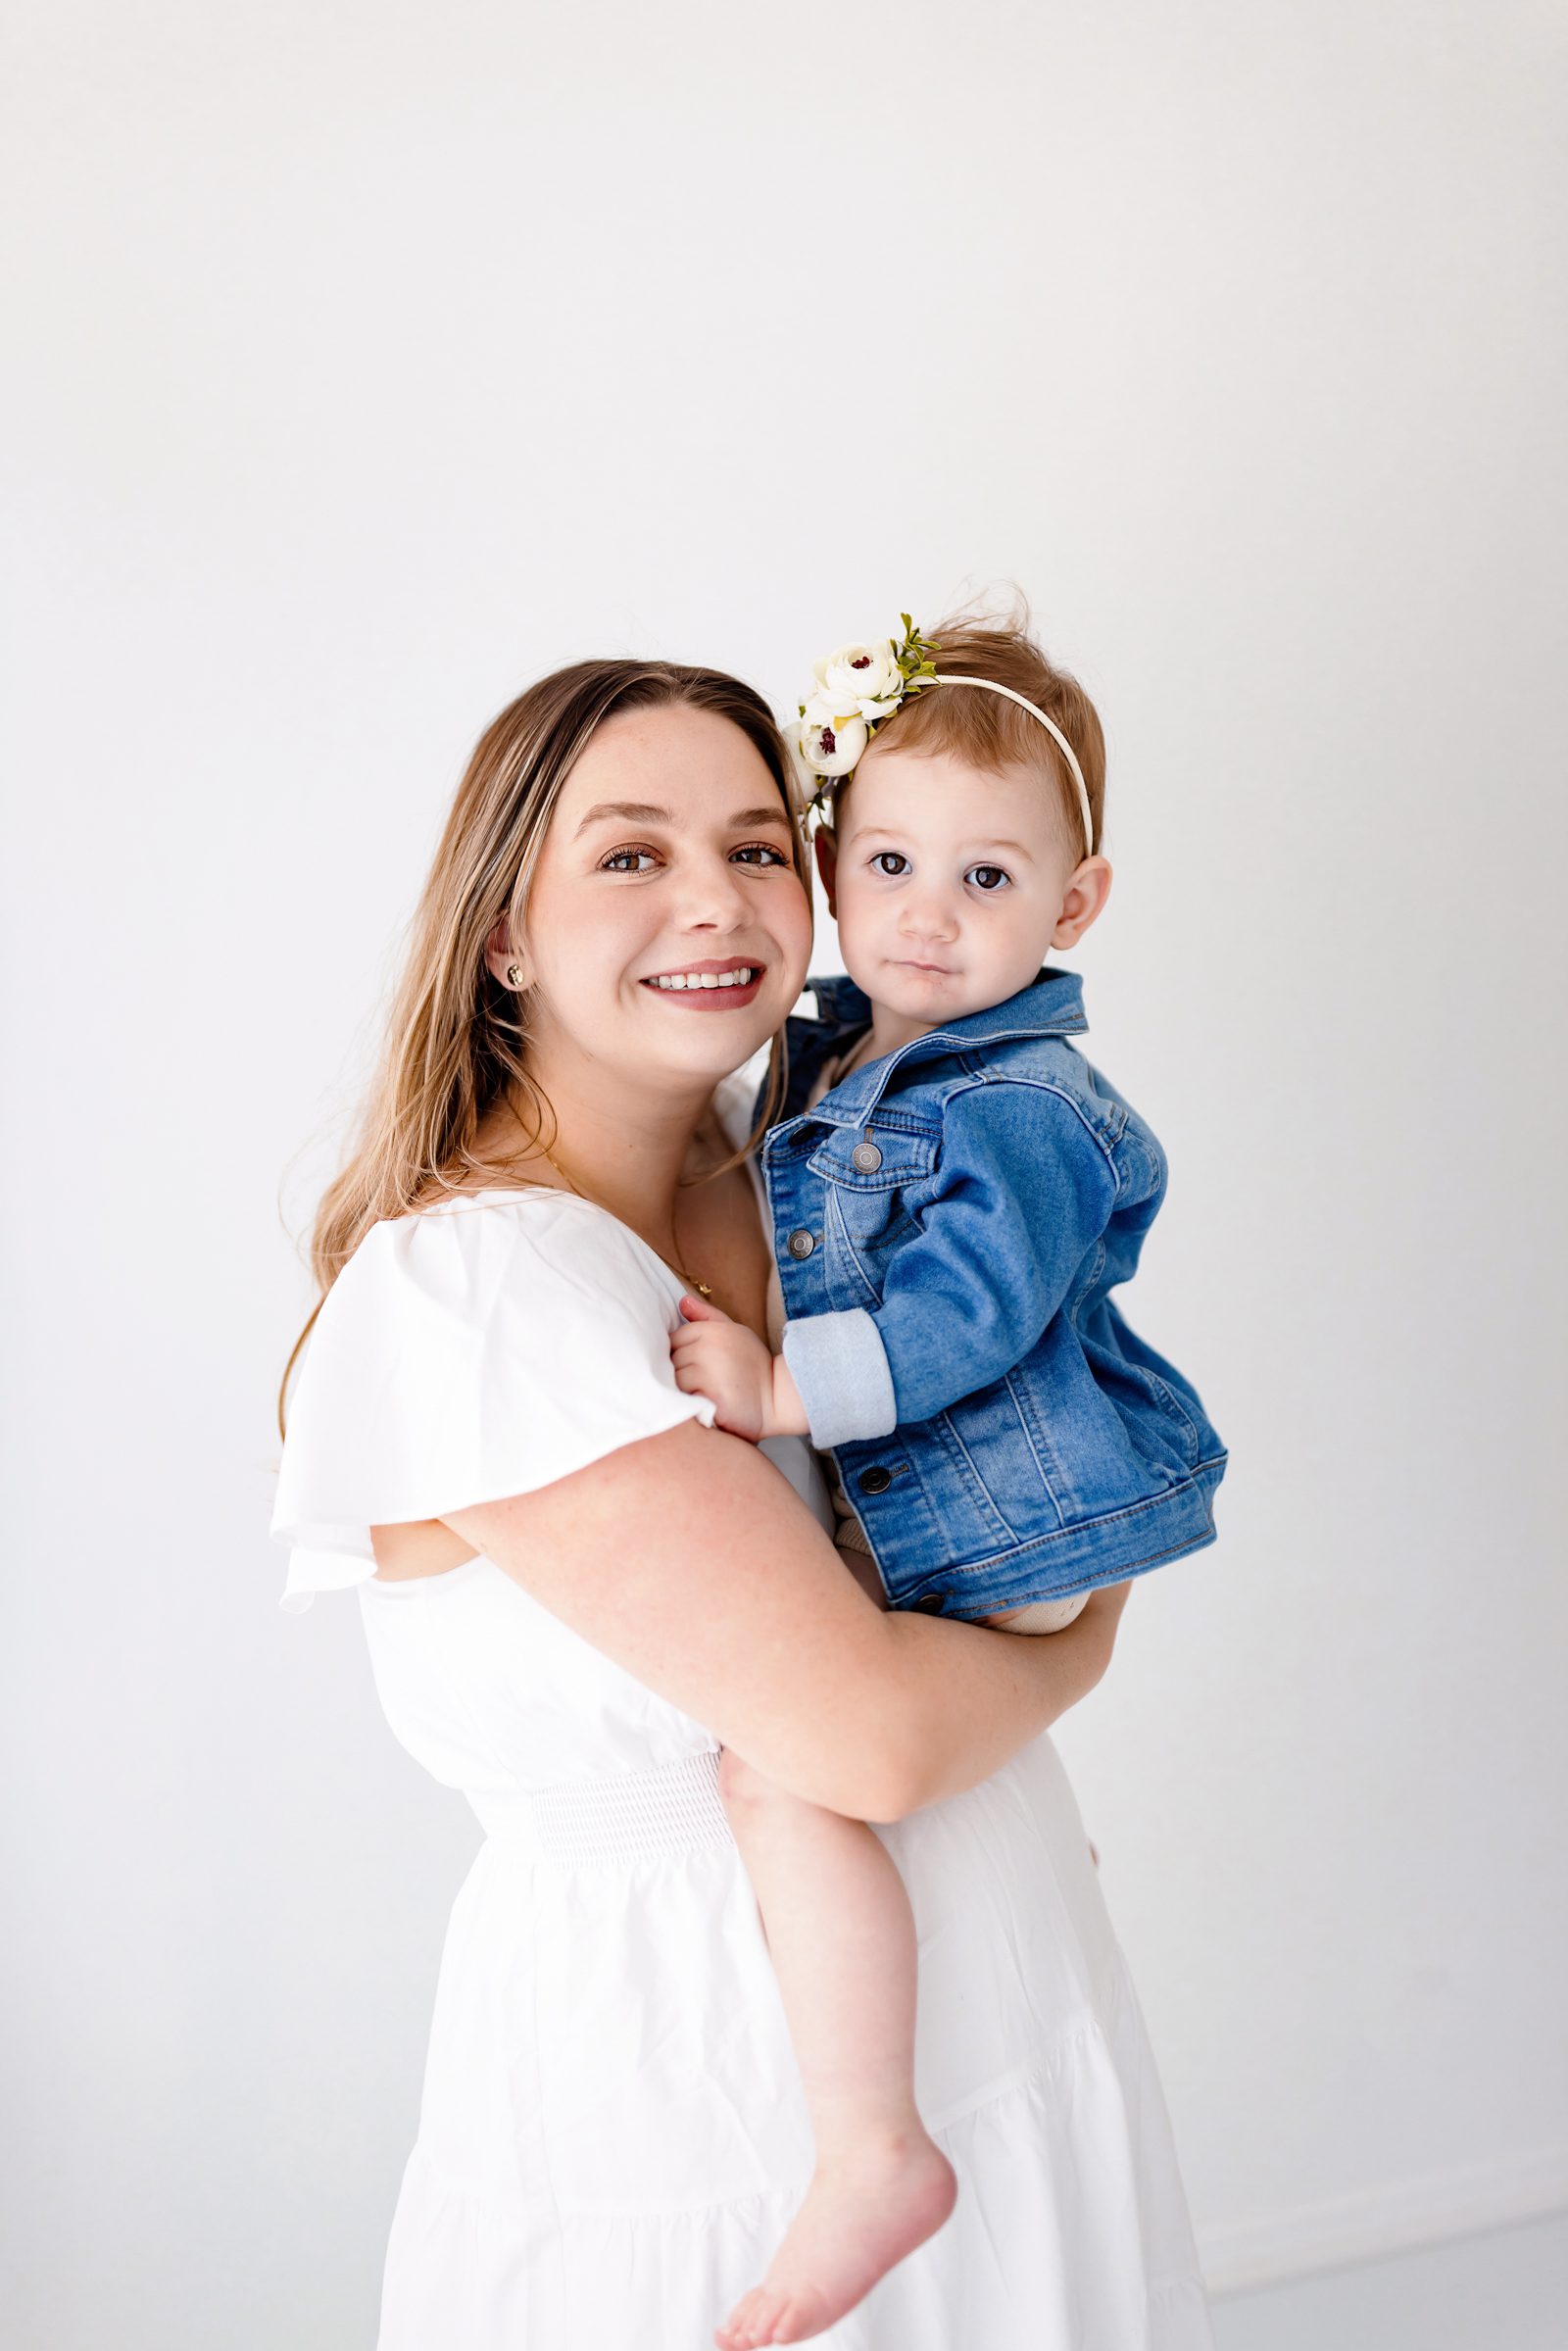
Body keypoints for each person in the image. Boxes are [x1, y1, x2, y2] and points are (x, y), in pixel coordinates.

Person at [270, 653, 1216, 2350]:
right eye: (630, 854)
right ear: (503, 932)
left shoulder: (814, 1168)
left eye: (761, 845)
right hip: (715, 2106)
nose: (713, 900)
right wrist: (1088, 1636)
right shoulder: (480, 1290)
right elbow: (871, 1741)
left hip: (1012, 2015)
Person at [672, 609, 1228, 2344]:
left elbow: (971, 1317)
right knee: (859, 1774)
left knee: (786, 1770)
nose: (929, 911)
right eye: (893, 861)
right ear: (834, 865)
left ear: (1076, 908)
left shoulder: (1019, 1103)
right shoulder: (856, 1047)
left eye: (990, 880)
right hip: (997, 1512)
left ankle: (871, 2147)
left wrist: (780, 1387)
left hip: (1013, 1505)